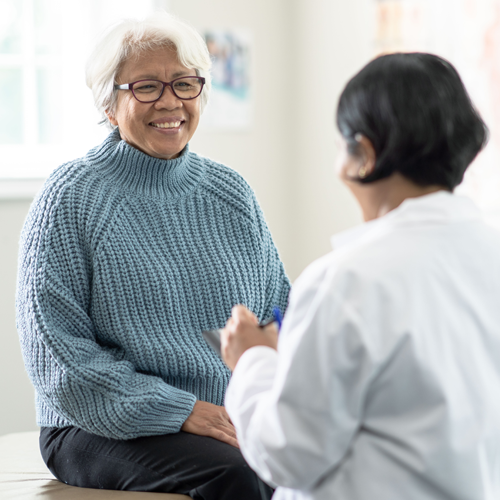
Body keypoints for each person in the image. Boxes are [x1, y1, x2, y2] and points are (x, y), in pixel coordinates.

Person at [16, 12, 289, 500]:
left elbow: (279, 313)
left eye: (184, 84)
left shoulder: (231, 193)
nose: (170, 102)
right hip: (94, 422)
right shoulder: (71, 197)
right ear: (109, 104)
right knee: (242, 476)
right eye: (146, 87)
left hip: (227, 413)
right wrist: (180, 409)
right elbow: (59, 359)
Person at [221, 53, 500, 500]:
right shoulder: (491, 254)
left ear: (364, 155)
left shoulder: (347, 280)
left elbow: (288, 453)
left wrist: (253, 360)